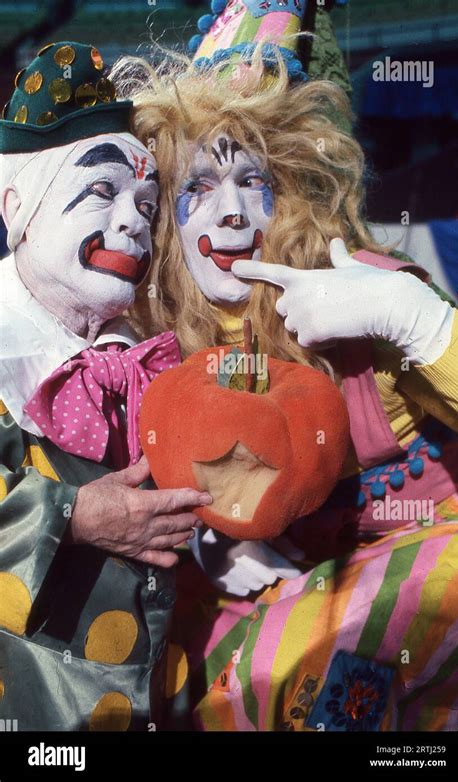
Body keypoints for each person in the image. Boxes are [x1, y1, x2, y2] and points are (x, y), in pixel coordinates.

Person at [113, 0, 458, 732]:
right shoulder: (153, 329)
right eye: (199, 187)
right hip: (272, 590)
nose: (233, 212)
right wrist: (206, 535)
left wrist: (413, 319)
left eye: (253, 180)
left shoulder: (367, 283)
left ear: (296, 190)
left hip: (423, 563)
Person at [0, 41, 214, 731]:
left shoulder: (153, 361)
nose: (133, 221)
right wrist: (70, 514)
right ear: (17, 205)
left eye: (146, 203)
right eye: (102, 190)